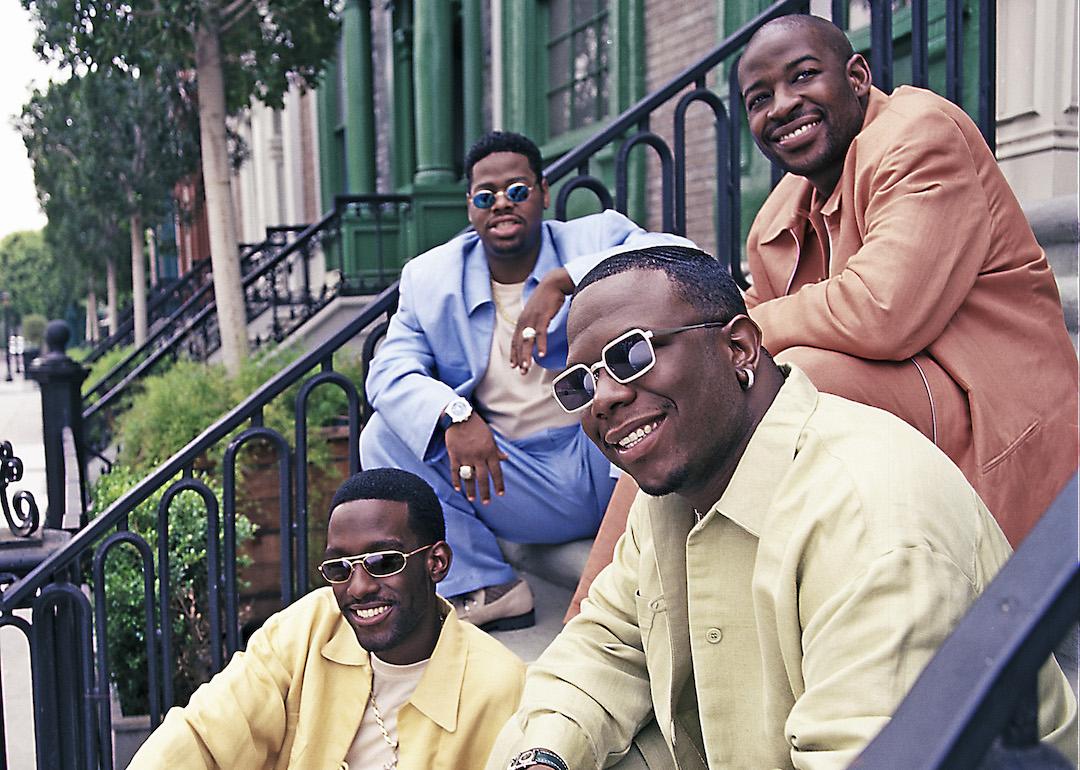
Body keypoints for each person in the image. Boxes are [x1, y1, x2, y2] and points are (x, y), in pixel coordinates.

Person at [556, 13, 1078, 620]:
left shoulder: (921, 137)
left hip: (990, 410)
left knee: (776, 377)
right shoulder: (780, 215)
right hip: (896, 411)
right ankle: (605, 623)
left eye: (803, 76)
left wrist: (738, 335)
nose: (782, 106)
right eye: (758, 99)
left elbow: (883, 311)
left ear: (856, 77)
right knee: (681, 398)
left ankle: (610, 623)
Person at [486, 246, 1076, 770]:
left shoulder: (870, 515)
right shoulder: (679, 486)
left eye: (632, 354)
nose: (606, 397)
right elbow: (607, 644)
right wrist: (542, 757)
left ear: (739, 347)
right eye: (581, 383)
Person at [361, 130, 692, 630]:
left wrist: (567, 279)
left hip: (607, 451)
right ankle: (486, 585)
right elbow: (388, 370)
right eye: (484, 196)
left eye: (517, 191)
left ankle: (658, 570)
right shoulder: (431, 278)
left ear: (542, 192)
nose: (501, 204)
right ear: (469, 208)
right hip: (513, 475)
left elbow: (679, 257)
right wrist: (456, 415)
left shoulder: (594, 238)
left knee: (654, 384)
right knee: (382, 437)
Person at [129, 468, 524, 769]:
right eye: (340, 567)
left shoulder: (501, 688)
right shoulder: (309, 626)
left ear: (436, 563)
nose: (359, 587)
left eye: (383, 561)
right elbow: (205, 733)